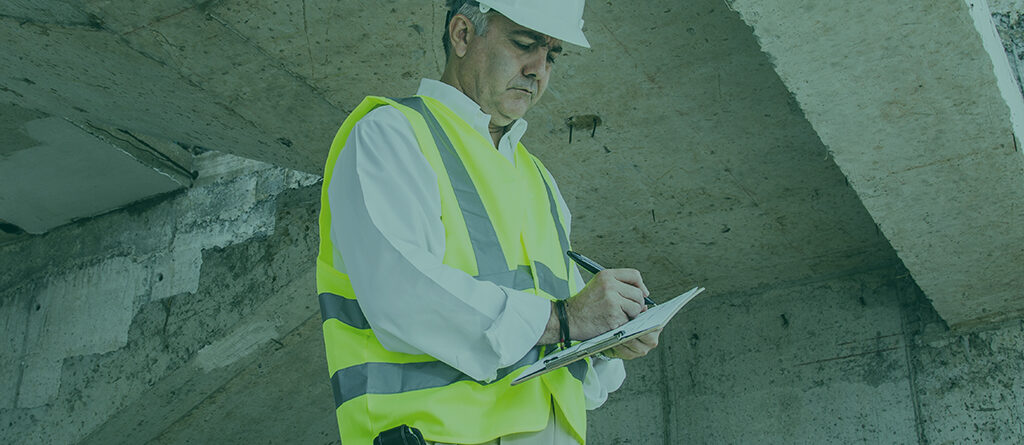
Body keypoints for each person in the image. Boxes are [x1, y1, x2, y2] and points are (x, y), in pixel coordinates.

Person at [315, 1, 662, 443]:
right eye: (524, 45)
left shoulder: (538, 178)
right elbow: (401, 298)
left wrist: (609, 340)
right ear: (462, 34)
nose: (539, 69)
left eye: (552, 55)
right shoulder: (393, 135)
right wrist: (566, 318)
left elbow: (567, 334)